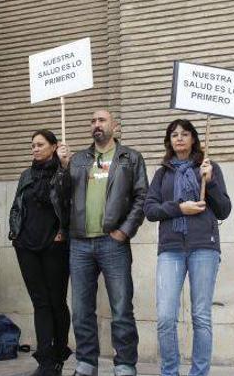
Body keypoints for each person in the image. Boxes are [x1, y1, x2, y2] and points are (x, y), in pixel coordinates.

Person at [55, 110, 147, 376]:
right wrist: (61, 168)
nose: (96, 125)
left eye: (102, 120)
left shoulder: (130, 157)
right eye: (93, 121)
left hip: (113, 242)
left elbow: (141, 197)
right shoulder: (78, 159)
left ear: (115, 126)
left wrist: (124, 231)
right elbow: (59, 197)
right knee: (82, 309)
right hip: (80, 243)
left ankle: (125, 365)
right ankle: (86, 363)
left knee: (121, 308)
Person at [143, 119, 231, 376]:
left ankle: (199, 373)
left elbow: (224, 209)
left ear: (194, 138)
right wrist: (178, 208)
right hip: (171, 248)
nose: (179, 138)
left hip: (204, 247)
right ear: (169, 141)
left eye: (184, 134)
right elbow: (150, 210)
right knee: (166, 317)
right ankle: (170, 372)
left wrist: (210, 181)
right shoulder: (162, 173)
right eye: (174, 135)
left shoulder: (208, 167)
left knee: (201, 316)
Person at [8, 129, 72, 376]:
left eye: (40, 144)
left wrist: (63, 229)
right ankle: (45, 360)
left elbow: (70, 202)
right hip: (27, 245)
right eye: (32, 145)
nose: (34, 149)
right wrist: (16, 235)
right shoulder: (26, 175)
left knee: (57, 302)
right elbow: (17, 206)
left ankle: (58, 356)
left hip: (54, 244)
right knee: (40, 303)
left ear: (54, 146)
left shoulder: (64, 171)